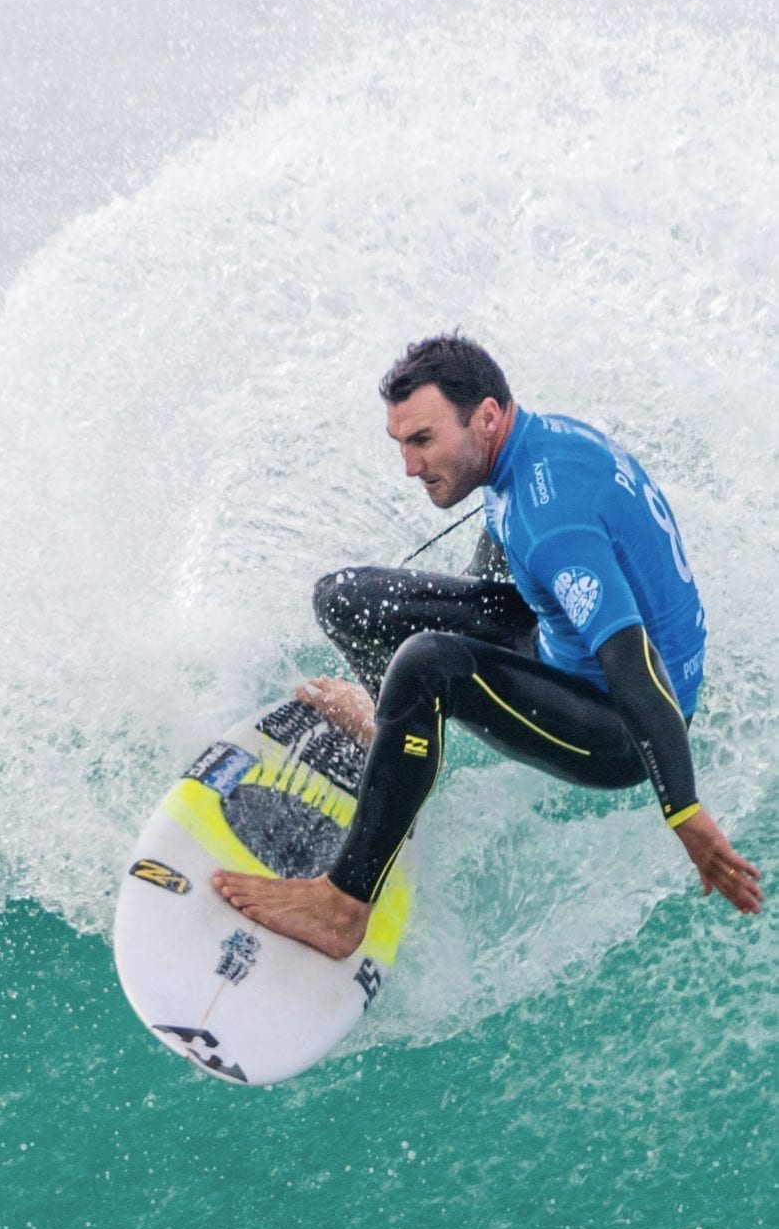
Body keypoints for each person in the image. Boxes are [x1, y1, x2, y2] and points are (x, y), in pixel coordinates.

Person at [213, 333, 762, 958]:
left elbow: (630, 661)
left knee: (427, 663)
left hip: (618, 722)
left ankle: (343, 906)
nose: (410, 467)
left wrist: (684, 811)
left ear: (488, 416)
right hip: (557, 637)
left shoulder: (550, 519)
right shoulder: (534, 446)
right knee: (346, 598)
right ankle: (397, 733)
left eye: (423, 441)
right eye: (401, 444)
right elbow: (527, 558)